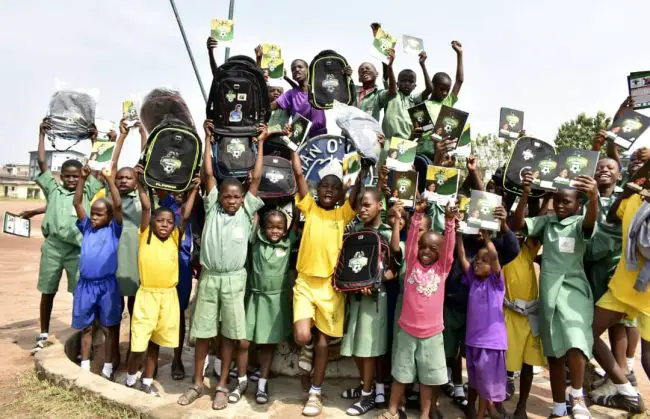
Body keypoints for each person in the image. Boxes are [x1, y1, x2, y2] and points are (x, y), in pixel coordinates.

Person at [178, 121, 266, 410]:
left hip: (234, 280)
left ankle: (223, 385)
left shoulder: (247, 209)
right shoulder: (213, 204)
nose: (230, 200)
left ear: (243, 199)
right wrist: (207, 138)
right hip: (210, 277)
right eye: (227, 196)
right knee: (203, 332)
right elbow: (207, 173)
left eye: (235, 197)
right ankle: (197, 382)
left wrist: (261, 142)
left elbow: (255, 179)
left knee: (229, 334)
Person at [512, 171, 599, 418]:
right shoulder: (547, 222)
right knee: (554, 354)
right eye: (557, 200)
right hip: (550, 294)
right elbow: (518, 224)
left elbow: (591, 223)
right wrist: (527, 192)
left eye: (567, 201)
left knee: (575, 342)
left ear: (578, 204)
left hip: (574, 293)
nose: (560, 205)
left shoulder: (581, 222)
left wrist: (593, 198)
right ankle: (559, 406)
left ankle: (578, 397)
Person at [290, 148, 365, 417]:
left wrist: (363, 169)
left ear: (340, 193)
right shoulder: (308, 206)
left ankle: (315, 393)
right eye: (325, 186)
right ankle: (306, 352)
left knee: (324, 340)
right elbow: (299, 174)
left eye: (335, 187)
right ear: (317, 188)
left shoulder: (342, 214)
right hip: (306, 283)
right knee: (303, 335)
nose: (330, 190)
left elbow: (355, 196)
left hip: (331, 287)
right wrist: (293, 149)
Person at [375, 199, 455, 419]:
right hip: (407, 331)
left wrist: (449, 222)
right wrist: (416, 215)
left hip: (432, 334)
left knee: (429, 379)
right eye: (423, 247)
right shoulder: (411, 262)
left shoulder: (442, 270)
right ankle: (392, 410)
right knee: (401, 374)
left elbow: (449, 248)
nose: (426, 251)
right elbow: (410, 242)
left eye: (433, 248)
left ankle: (424, 414)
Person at [124, 168, 199, 396]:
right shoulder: (145, 234)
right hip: (147, 295)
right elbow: (147, 207)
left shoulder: (176, 237)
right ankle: (129, 379)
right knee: (138, 344)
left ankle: (147, 381)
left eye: (169, 221)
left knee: (156, 342)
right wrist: (139, 183)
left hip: (168, 297)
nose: (165, 225)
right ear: (152, 222)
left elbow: (184, 215)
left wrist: (194, 189)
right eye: (161, 221)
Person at [32, 118, 102, 353]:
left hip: (77, 249)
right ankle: (43, 333)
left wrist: (95, 139)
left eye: (75, 176)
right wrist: (41, 134)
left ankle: (86, 337)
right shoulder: (53, 189)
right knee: (48, 290)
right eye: (67, 176)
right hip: (52, 247)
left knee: (79, 294)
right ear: (60, 176)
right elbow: (42, 161)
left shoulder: (88, 188)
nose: (72, 179)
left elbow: (97, 163)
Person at [339, 188, 399, 415]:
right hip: (354, 297)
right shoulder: (354, 231)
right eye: (360, 205)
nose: (362, 209)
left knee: (368, 349)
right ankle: (369, 387)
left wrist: (374, 282)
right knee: (355, 346)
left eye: (367, 205)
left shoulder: (385, 233)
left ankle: (367, 396)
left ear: (379, 206)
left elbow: (395, 269)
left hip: (374, 298)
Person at [589, 187, 648, 413]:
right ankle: (625, 389)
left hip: (629, 290)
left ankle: (627, 392)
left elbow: (614, 214)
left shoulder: (635, 199)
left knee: (588, 334)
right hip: (630, 290)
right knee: (648, 355)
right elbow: (614, 215)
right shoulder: (633, 199)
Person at [71, 165, 123, 380]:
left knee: (109, 327)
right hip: (85, 285)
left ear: (110, 217)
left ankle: (108, 367)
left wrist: (110, 180)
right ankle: (84, 363)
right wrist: (82, 179)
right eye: (92, 213)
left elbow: (118, 204)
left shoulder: (114, 230)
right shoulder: (87, 227)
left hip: (107, 285)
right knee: (86, 327)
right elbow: (77, 202)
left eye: (99, 214)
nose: (93, 217)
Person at [106, 118, 147, 369]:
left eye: (127, 178)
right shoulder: (111, 197)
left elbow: (143, 162)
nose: (122, 181)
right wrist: (121, 137)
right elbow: (110, 166)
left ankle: (134, 354)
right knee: (113, 311)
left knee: (135, 311)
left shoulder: (143, 196)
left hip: (136, 256)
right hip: (113, 254)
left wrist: (141, 131)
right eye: (119, 178)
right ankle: (112, 357)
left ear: (135, 180)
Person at [245, 209, 297, 404]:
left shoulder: (288, 241)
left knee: (268, 343)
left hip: (275, 302)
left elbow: (296, 223)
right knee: (244, 341)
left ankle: (262, 383)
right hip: (255, 298)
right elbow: (254, 221)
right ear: (262, 229)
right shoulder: (256, 241)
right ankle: (242, 376)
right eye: (270, 227)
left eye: (279, 227)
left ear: (285, 231)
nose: (275, 231)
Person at [457, 224, 508, 419]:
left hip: (491, 343)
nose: (478, 262)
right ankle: (489, 412)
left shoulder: (496, 282)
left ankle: (486, 413)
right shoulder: (473, 280)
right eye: (477, 259)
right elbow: (462, 256)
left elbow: (494, 257)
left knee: (487, 384)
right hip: (473, 341)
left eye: (483, 261)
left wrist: (487, 239)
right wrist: (458, 234)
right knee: (478, 382)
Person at [158, 190, 194, 381]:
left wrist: (194, 189)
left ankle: (177, 358)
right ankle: (150, 358)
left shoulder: (198, 204)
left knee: (179, 313)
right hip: (162, 263)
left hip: (184, 265)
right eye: (178, 188)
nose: (181, 192)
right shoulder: (167, 202)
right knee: (156, 312)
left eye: (185, 189)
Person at [417, 40, 464, 159]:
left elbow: (459, 81)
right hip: (424, 148)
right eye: (441, 89)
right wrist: (423, 65)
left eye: (447, 90)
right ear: (433, 86)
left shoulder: (447, 103)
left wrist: (460, 54)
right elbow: (422, 128)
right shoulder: (424, 103)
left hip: (441, 148)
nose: (444, 93)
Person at [271, 59, 338, 138]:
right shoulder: (290, 94)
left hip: (319, 137)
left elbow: (339, 91)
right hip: (298, 137)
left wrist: (346, 75)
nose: (296, 70)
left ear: (308, 70)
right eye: (293, 69)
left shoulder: (318, 89)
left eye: (300, 67)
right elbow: (271, 106)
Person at [354, 49, 395, 121]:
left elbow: (392, 91)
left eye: (368, 68)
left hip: (369, 131)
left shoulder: (378, 95)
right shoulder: (351, 90)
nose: (364, 70)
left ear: (376, 74)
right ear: (359, 79)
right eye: (361, 70)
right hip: (349, 131)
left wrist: (389, 67)